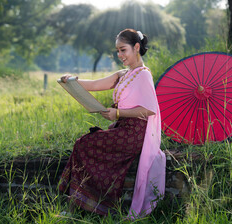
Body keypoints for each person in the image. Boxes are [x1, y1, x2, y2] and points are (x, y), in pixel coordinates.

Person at [58, 28, 166, 218]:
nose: (120, 55)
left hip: (134, 134)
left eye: (123, 50)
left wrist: (117, 113)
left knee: (84, 143)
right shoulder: (123, 74)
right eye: (117, 51)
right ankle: (81, 204)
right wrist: (72, 80)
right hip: (123, 128)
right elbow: (96, 85)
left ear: (137, 47)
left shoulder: (143, 75)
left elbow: (150, 109)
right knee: (85, 143)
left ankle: (81, 206)